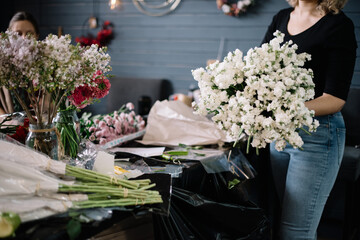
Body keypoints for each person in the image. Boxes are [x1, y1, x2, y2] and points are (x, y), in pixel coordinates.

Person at [261, 0, 357, 239]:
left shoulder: (338, 25)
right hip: (280, 134)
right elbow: (260, 69)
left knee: (296, 232)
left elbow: (334, 99)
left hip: (317, 136)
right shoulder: (282, 17)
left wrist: (286, 110)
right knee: (281, 222)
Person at [0, 11, 39, 115]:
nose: (24, 38)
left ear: (37, 36)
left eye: (29, 34)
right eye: (18, 34)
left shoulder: (46, 66)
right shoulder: (2, 65)